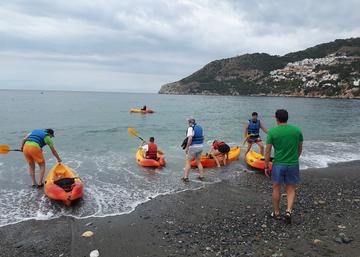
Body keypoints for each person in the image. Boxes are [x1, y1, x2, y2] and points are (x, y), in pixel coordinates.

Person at [264, 109, 303, 224]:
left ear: (276, 119)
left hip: (278, 164)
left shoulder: (272, 132)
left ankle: (276, 213)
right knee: (291, 188)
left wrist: (266, 165)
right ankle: (288, 211)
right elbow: (300, 147)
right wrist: (296, 157)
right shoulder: (297, 130)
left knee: (276, 187)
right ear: (287, 118)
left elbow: (267, 151)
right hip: (293, 163)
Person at [182, 117, 204, 182]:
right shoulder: (200, 127)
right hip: (200, 146)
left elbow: (190, 138)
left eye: (188, 122)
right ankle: (201, 176)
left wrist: (187, 147)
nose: (188, 124)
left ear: (190, 122)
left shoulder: (190, 128)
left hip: (193, 147)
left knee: (188, 162)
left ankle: (185, 178)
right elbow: (203, 137)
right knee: (198, 162)